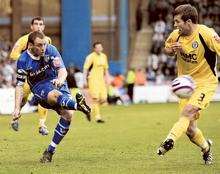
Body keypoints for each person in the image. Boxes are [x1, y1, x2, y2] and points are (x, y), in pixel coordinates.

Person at [12, 31, 91, 163]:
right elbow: (19, 86)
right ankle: (79, 106)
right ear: (30, 45)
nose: (43, 48)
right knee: (54, 95)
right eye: (39, 45)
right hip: (39, 87)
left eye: (44, 44)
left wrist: (60, 80)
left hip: (57, 80)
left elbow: (62, 70)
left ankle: (50, 151)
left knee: (68, 115)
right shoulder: (23, 60)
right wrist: (16, 108)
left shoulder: (51, 49)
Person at [156, 4, 220, 165]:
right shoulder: (176, 35)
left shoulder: (206, 34)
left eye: (177, 22)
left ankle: (169, 140)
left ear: (189, 21)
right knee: (190, 130)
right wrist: (172, 49)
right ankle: (206, 148)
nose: (175, 25)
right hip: (186, 86)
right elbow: (167, 48)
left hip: (205, 83)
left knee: (188, 111)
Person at [10, 16, 51, 135]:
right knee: (23, 100)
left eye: (41, 24)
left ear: (43, 27)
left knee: (44, 98)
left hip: (41, 76)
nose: (39, 26)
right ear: (31, 26)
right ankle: (15, 117)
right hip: (28, 76)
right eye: (36, 24)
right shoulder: (24, 39)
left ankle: (42, 125)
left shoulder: (47, 40)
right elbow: (13, 55)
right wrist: (28, 61)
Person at [83, 42, 109, 123]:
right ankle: (98, 117)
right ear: (94, 49)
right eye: (97, 47)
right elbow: (85, 69)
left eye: (100, 47)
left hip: (101, 81)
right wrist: (84, 80)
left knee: (104, 99)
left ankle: (88, 110)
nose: (99, 49)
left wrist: (107, 79)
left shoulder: (104, 56)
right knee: (95, 99)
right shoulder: (90, 57)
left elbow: (106, 69)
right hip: (93, 80)